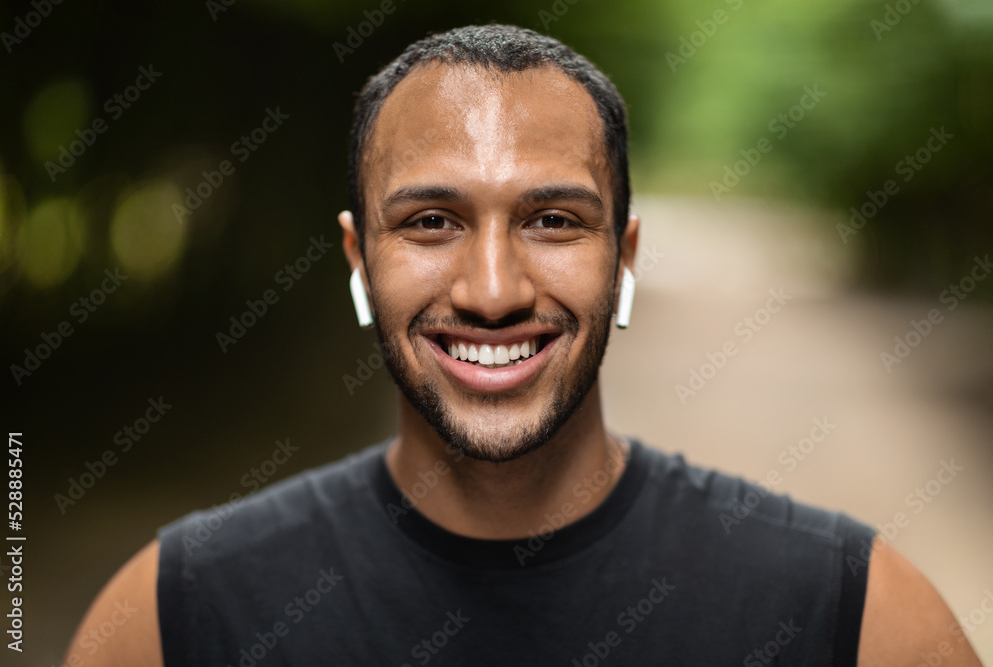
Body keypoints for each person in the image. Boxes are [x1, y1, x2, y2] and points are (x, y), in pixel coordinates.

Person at [66, 24, 981, 666]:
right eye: (431, 221)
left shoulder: (853, 616)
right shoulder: (176, 616)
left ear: (622, 258)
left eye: (551, 220)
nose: (493, 291)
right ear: (359, 259)